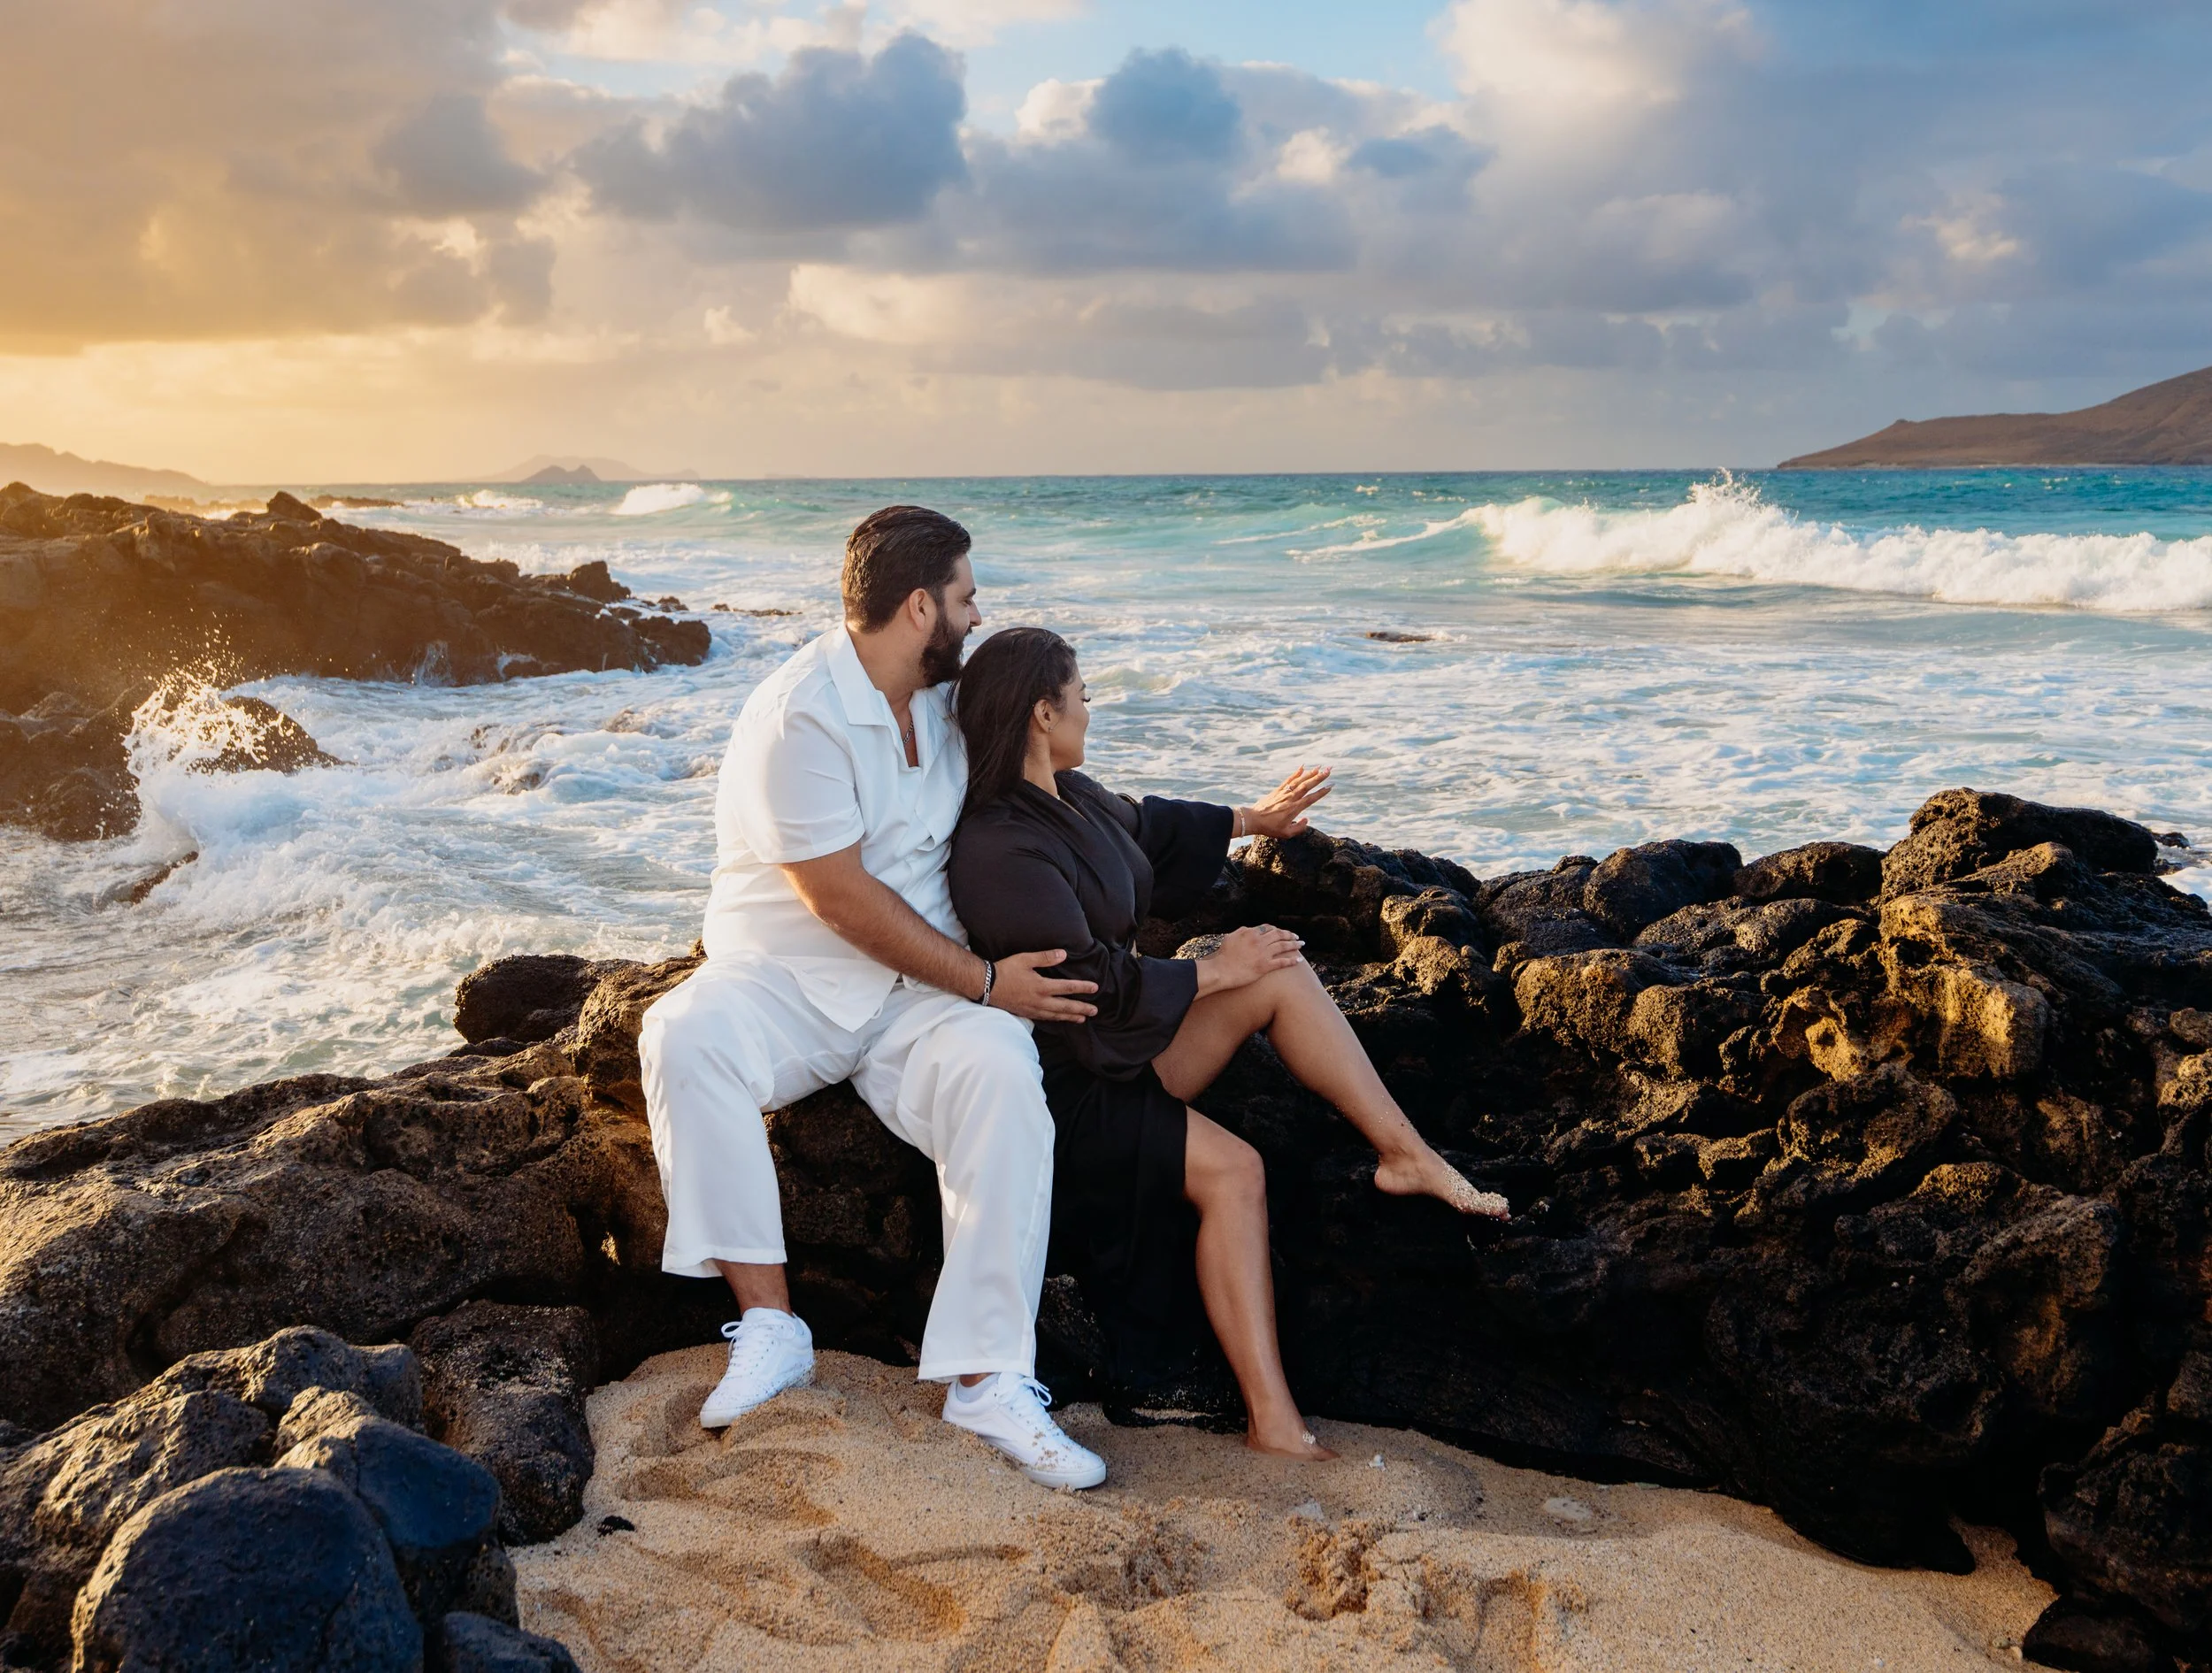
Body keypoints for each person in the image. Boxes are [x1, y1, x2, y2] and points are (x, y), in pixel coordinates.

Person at [946, 626, 1508, 1460]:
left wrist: (1256, 818)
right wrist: (1211, 971)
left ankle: (1405, 1154)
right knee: (1237, 1167)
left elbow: (1152, 827)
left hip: (1126, 1049)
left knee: (1277, 967)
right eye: (1081, 693)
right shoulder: (997, 846)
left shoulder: (1073, 793)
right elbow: (1085, 989)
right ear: (1041, 711)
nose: (1090, 708)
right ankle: (1273, 1423)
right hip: (1067, 1089)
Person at [637, 507, 1112, 1490]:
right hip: (788, 983)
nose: (978, 616)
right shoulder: (796, 715)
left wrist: (1234, 821)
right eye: (968, 597)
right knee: (681, 1033)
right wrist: (986, 979)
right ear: (917, 605)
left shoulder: (944, 700)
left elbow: (1052, 764)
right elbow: (841, 899)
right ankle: (771, 1325)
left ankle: (987, 1377)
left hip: (915, 996)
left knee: (1000, 1073)